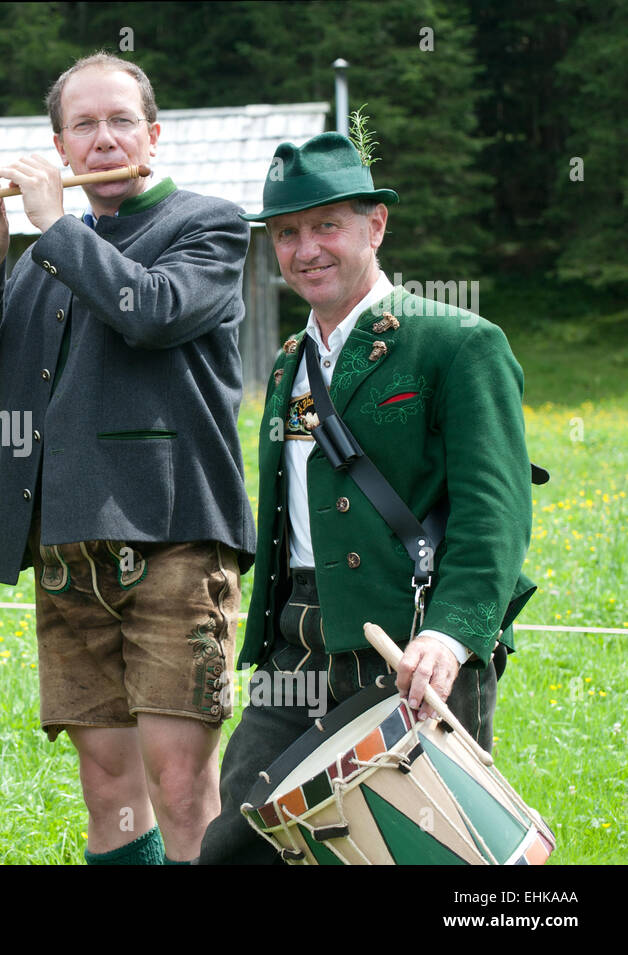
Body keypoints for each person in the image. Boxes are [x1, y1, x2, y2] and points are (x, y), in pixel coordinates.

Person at [0, 53, 255, 864]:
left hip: (177, 536)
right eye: (85, 124)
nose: (104, 137)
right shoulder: (53, 249)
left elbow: (149, 311)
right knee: (108, 790)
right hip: (64, 546)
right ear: (59, 145)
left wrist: (53, 229)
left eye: (121, 121)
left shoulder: (207, 225)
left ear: (153, 135)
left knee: (181, 784)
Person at [199, 131, 535, 863]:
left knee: (422, 849)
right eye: (287, 233)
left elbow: (495, 512)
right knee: (242, 837)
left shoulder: (457, 343)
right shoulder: (291, 362)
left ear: (374, 226)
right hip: (299, 643)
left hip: (414, 644)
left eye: (327, 225)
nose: (305, 248)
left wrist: (451, 634)